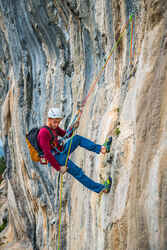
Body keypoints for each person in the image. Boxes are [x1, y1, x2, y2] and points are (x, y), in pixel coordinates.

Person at [37, 107, 112, 194]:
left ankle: (102, 149)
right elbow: (47, 154)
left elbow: (66, 135)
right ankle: (102, 189)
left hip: (60, 151)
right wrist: (59, 168)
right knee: (78, 172)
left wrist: (73, 127)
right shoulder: (43, 133)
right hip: (56, 158)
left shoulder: (54, 128)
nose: (57, 124)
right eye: (55, 122)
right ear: (49, 119)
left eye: (58, 122)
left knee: (77, 139)